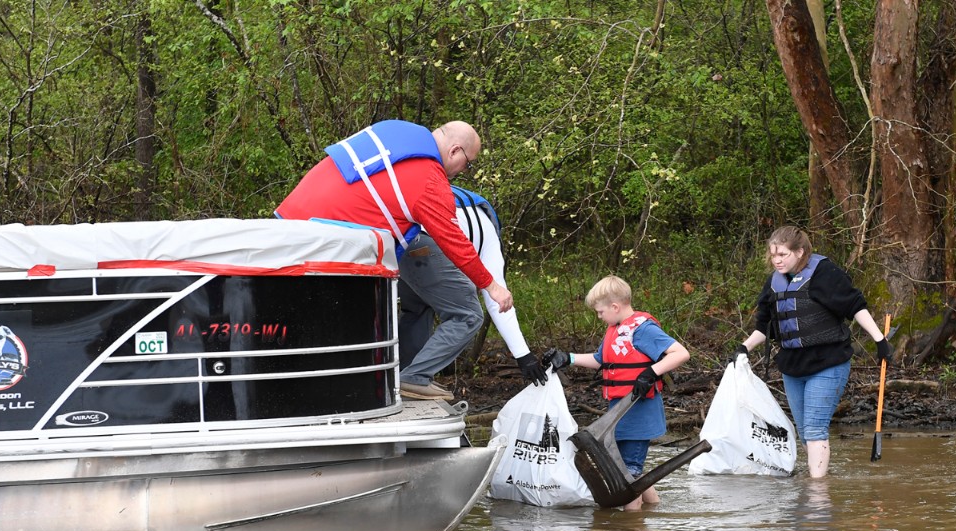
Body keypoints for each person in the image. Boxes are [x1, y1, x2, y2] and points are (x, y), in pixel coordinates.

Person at [275, 119, 514, 400]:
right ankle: (414, 377)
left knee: (416, 302)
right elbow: (454, 241)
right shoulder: (429, 179)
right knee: (469, 313)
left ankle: (394, 375)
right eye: (468, 163)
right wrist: (492, 287)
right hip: (328, 247)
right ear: (454, 151)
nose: (464, 171)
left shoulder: (397, 131)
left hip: (292, 225)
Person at [731, 225, 893, 478]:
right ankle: (818, 478)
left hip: (828, 362)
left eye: (783, 255)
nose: (777, 260)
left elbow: (855, 306)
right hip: (793, 367)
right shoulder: (773, 283)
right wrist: (744, 348)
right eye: (773, 255)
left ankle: (817, 494)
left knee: (815, 429)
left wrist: (880, 340)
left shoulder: (824, 273)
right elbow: (764, 327)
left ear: (800, 252)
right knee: (806, 432)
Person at [542, 275, 691, 509]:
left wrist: (651, 372)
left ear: (615, 306)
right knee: (627, 468)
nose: (599, 317)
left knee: (627, 474)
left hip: (639, 412)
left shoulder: (643, 329)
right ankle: (655, 512)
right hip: (619, 411)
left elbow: (681, 353)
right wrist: (567, 358)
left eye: (600, 312)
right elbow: (600, 359)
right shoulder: (616, 329)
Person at [398, 186, 546, 397]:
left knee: (417, 310)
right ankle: (414, 378)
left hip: (397, 237)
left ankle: (398, 380)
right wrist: (524, 356)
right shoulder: (488, 235)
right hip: (427, 241)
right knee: (467, 315)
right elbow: (498, 299)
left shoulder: (454, 202)